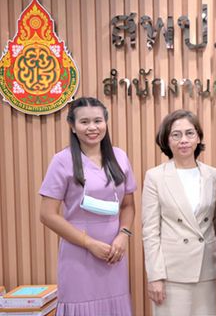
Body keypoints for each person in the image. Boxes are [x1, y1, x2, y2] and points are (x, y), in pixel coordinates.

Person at [39, 97, 136, 316]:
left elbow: (128, 205)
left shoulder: (120, 157)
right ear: (72, 126)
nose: (92, 127)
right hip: (78, 252)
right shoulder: (61, 160)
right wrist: (89, 243)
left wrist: (123, 235)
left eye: (98, 121)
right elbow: (46, 215)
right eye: (84, 122)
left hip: (114, 252)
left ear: (106, 123)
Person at [142, 110, 216, 316]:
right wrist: (155, 276)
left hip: (206, 268)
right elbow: (150, 231)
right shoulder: (155, 177)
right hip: (171, 272)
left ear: (198, 138)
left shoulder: (215, 176)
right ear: (166, 140)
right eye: (176, 135)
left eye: (189, 133)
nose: (183, 140)